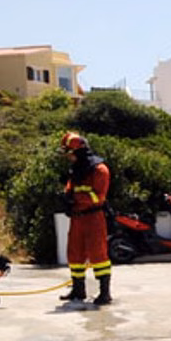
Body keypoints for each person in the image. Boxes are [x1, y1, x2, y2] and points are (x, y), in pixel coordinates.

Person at [59, 131, 113, 305]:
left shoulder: (100, 170)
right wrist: (66, 198)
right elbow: (70, 186)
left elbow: (99, 197)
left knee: (99, 255)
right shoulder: (76, 169)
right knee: (74, 254)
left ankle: (105, 293)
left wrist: (76, 199)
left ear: (79, 152)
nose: (69, 158)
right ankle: (78, 290)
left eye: (70, 154)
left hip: (93, 218)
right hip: (77, 218)